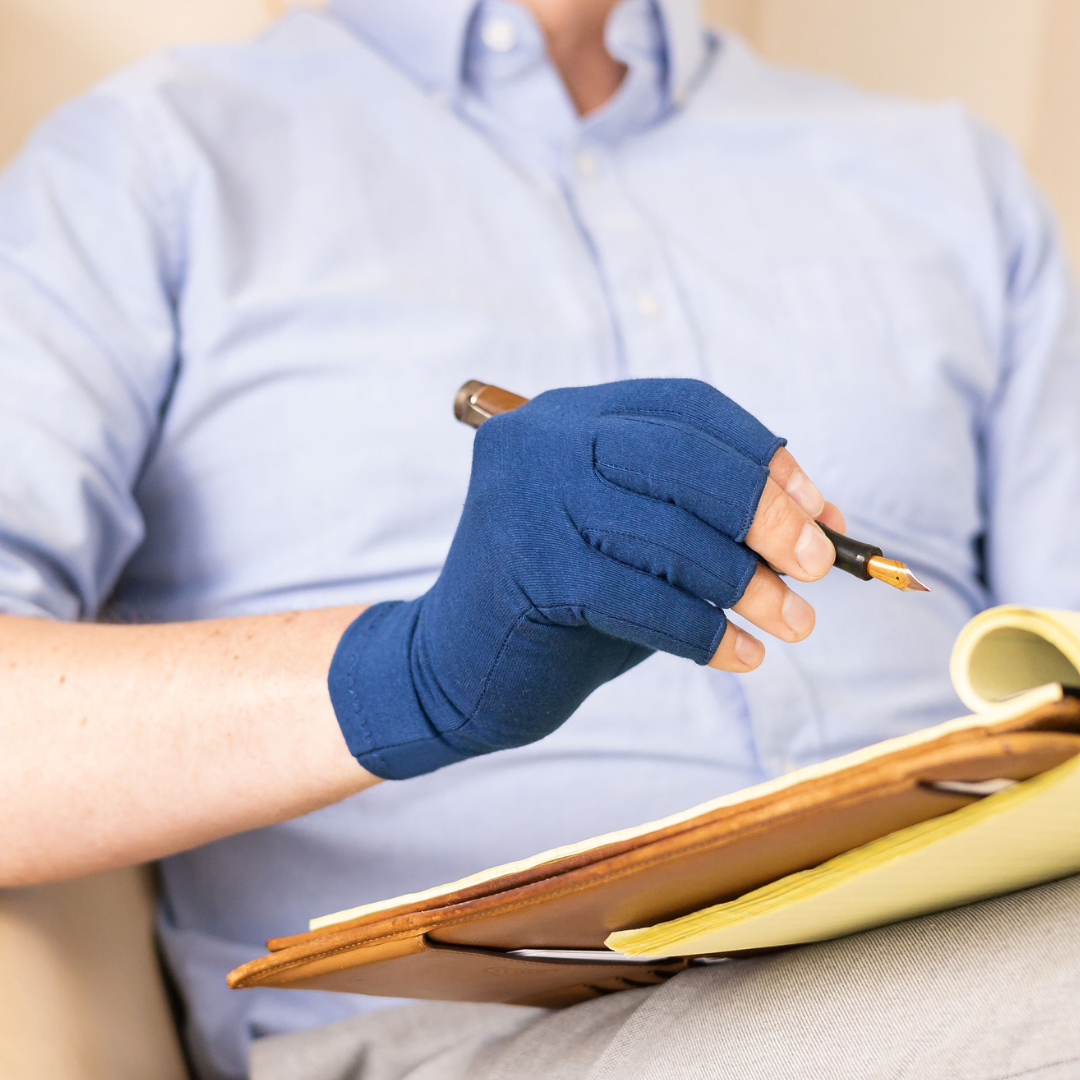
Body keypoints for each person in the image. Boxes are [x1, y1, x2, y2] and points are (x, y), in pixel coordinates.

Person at [1, 0, 1079, 1077]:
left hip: (984, 931)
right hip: (488, 1035)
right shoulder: (148, 163)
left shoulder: (952, 180)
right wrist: (410, 675)